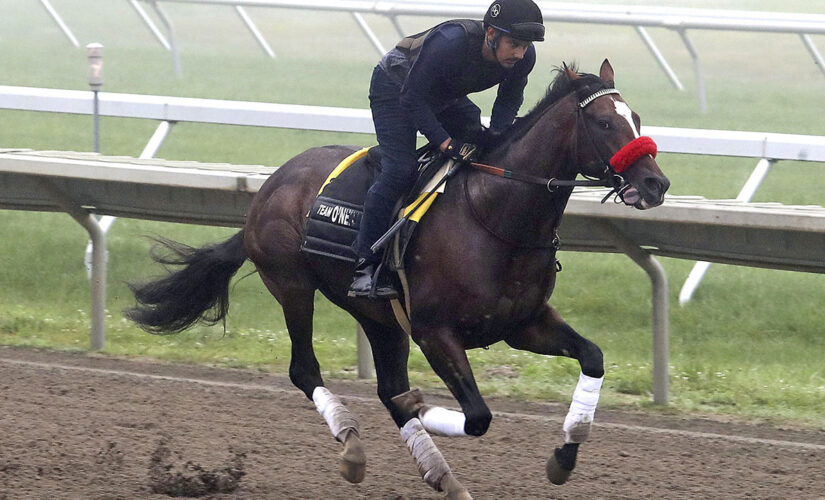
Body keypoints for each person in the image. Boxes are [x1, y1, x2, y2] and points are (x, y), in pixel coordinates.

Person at [348, 0, 546, 299]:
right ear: (490, 34)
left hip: (443, 95)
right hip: (396, 88)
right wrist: (445, 142)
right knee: (400, 169)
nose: (520, 53)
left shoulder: (523, 58)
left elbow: (507, 101)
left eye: (526, 45)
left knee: (480, 146)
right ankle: (365, 264)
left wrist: (496, 137)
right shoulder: (451, 43)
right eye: (514, 44)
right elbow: (413, 99)